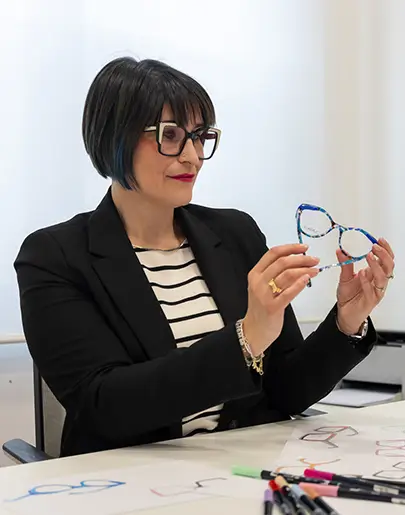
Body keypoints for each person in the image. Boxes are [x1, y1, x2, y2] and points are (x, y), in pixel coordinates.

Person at [14, 57, 395, 457]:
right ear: (114, 137)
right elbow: (104, 405)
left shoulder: (235, 233)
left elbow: (287, 391)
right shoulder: (54, 257)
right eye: (171, 135)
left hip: (239, 470)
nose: (193, 156)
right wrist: (245, 340)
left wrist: (346, 322)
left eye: (199, 137)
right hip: (127, 479)